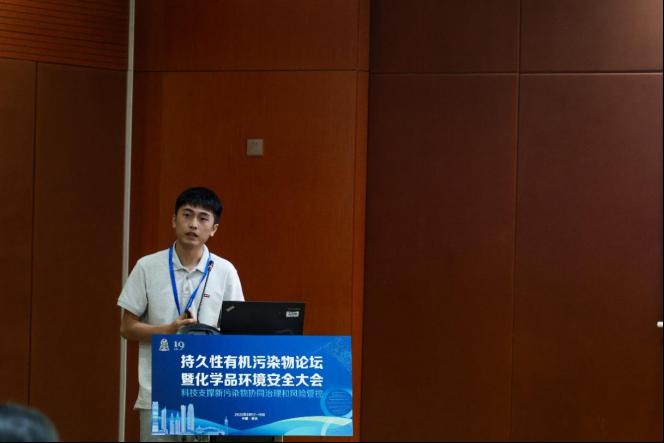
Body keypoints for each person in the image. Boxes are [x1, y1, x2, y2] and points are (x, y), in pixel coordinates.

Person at [118, 187, 244, 442]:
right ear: (174, 220)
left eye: (203, 218)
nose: (193, 224)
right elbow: (127, 328)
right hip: (158, 394)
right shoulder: (147, 266)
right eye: (187, 215)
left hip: (208, 393)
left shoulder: (225, 271)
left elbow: (238, 332)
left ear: (214, 229)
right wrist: (168, 331)